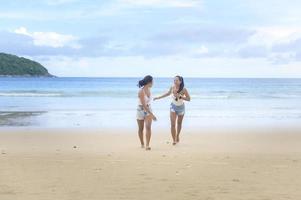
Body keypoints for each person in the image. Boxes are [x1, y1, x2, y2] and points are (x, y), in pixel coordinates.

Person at [154, 75, 190, 145]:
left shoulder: (184, 89)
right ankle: (174, 140)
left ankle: (177, 135)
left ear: (180, 81)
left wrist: (180, 96)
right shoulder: (172, 87)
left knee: (179, 123)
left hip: (181, 108)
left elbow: (189, 99)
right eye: (174, 80)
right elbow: (167, 93)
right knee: (173, 124)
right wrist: (158, 97)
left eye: (176, 80)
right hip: (173, 107)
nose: (175, 82)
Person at [136, 75, 157, 150]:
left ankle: (147, 145)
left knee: (148, 127)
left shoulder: (149, 90)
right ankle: (142, 143)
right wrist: (152, 115)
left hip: (148, 109)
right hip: (140, 110)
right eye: (152, 82)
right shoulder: (141, 91)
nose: (153, 83)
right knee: (141, 129)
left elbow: (147, 104)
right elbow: (144, 105)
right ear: (149, 82)